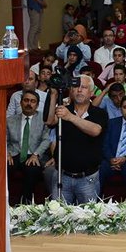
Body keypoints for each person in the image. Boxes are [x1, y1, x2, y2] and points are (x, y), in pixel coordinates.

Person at [45, 74, 107, 203]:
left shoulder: (99, 113)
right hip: (62, 175)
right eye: (76, 87)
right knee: (58, 214)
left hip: (88, 178)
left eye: (84, 87)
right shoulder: (64, 110)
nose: (79, 90)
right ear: (71, 91)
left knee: (89, 214)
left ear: (91, 92)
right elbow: (50, 121)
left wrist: (70, 117)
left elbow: (95, 130)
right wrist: (53, 96)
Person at [6, 90, 52, 204]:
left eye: (32, 101)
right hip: (14, 153)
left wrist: (36, 154)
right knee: (3, 167)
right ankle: (5, 203)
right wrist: (6, 153)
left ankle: (25, 204)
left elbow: (46, 140)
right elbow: (3, 139)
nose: (29, 104)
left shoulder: (44, 120)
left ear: (37, 104)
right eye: (26, 100)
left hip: (34, 154)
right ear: (21, 103)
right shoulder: (10, 120)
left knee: (32, 170)